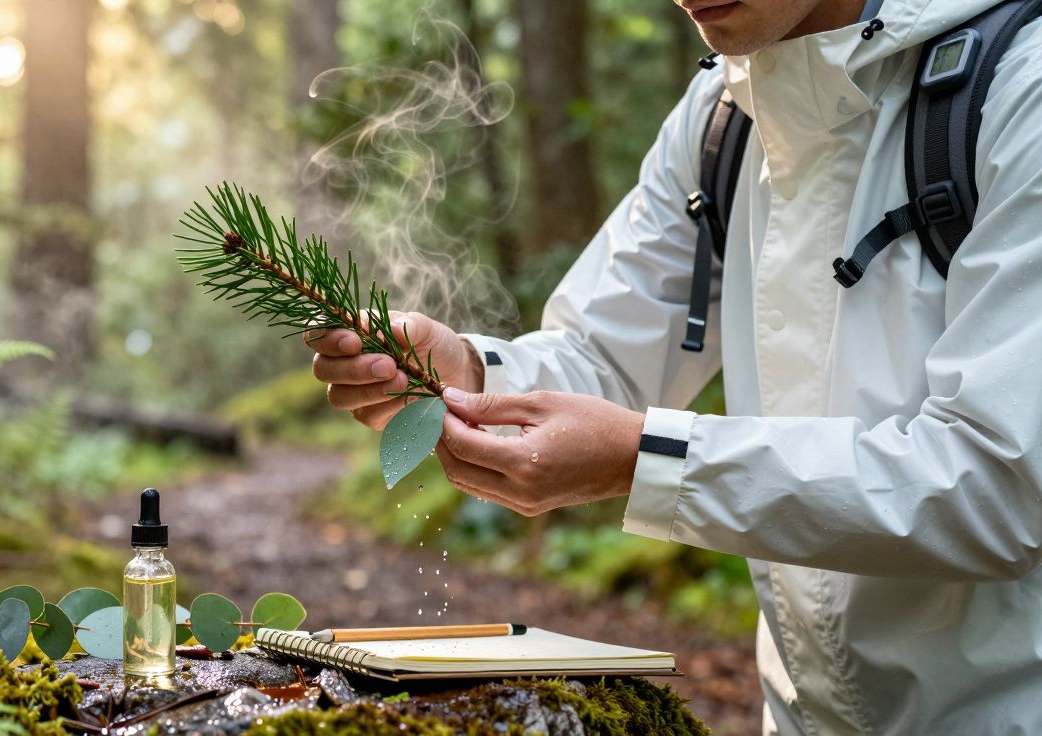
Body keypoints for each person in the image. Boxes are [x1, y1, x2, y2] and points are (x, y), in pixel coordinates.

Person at [303, 0, 1042, 732]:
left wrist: (645, 462)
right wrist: (468, 371)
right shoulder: (723, 111)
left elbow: (997, 484)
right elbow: (604, 354)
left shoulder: (1020, 84)